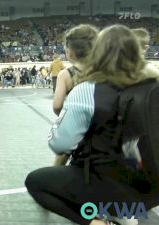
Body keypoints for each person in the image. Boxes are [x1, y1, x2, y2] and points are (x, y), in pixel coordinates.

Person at [25, 25, 159, 225]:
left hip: (107, 188)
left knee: (36, 182)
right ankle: (122, 213)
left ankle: (93, 221)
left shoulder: (87, 90)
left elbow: (59, 145)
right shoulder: (152, 87)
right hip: (147, 192)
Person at [52, 24, 98, 166]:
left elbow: (57, 106)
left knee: (62, 156)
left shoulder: (66, 74)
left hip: (79, 130)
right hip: (104, 131)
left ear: (69, 51)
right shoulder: (105, 70)